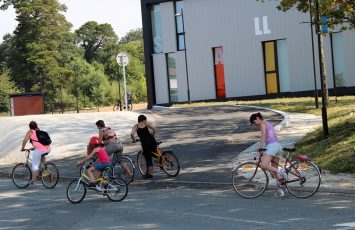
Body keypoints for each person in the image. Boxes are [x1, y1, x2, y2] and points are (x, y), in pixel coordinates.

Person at [250, 112, 285, 197]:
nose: (255, 124)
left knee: (263, 165)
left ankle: (281, 171)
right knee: (273, 170)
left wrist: (261, 147)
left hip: (272, 146)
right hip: (277, 146)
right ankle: (280, 191)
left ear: (257, 118)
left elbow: (263, 135)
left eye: (254, 122)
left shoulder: (262, 123)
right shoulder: (268, 123)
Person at [131, 115, 157, 179]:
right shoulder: (146, 123)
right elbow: (154, 129)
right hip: (152, 140)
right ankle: (162, 160)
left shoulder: (136, 126)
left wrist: (134, 140)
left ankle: (149, 174)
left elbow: (132, 134)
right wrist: (153, 136)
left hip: (145, 143)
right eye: (146, 119)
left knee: (148, 158)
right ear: (143, 120)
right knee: (155, 153)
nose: (146, 121)